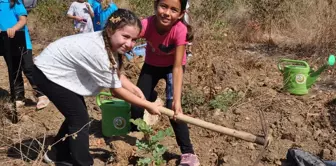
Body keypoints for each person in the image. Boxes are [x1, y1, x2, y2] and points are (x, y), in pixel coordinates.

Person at [34, 9, 161, 166]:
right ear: (110, 30)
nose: (130, 44)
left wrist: (134, 88)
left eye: (134, 39)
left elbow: (115, 72)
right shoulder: (98, 51)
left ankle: (55, 154)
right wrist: (147, 105)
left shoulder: (108, 43)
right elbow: (115, 90)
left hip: (59, 70)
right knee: (79, 119)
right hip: (48, 73)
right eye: (126, 37)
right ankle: (83, 163)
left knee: (76, 114)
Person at [130, 0, 199, 165]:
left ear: (181, 14)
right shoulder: (146, 24)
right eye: (164, 6)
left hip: (171, 68)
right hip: (151, 66)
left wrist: (177, 99)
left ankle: (188, 152)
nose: (167, 13)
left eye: (174, 10)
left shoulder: (180, 30)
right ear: (155, 5)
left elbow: (177, 67)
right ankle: (134, 138)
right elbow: (127, 37)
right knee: (137, 102)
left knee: (173, 110)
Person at [0, 0, 49, 109]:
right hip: (5, 43)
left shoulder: (15, 2)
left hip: (22, 42)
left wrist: (13, 29)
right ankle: (19, 97)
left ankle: (42, 95)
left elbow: (23, 20)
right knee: (14, 70)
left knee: (28, 68)